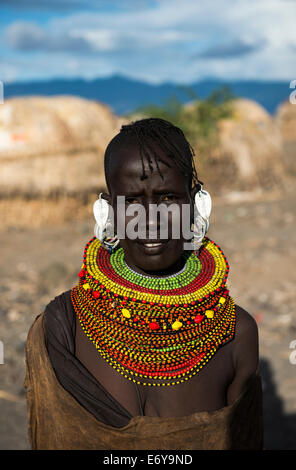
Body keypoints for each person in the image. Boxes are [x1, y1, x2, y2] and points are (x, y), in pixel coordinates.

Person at [24, 118, 263, 450]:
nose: (150, 220)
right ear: (108, 211)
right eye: (133, 201)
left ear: (194, 203)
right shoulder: (63, 327)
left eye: (167, 198)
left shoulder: (236, 333)